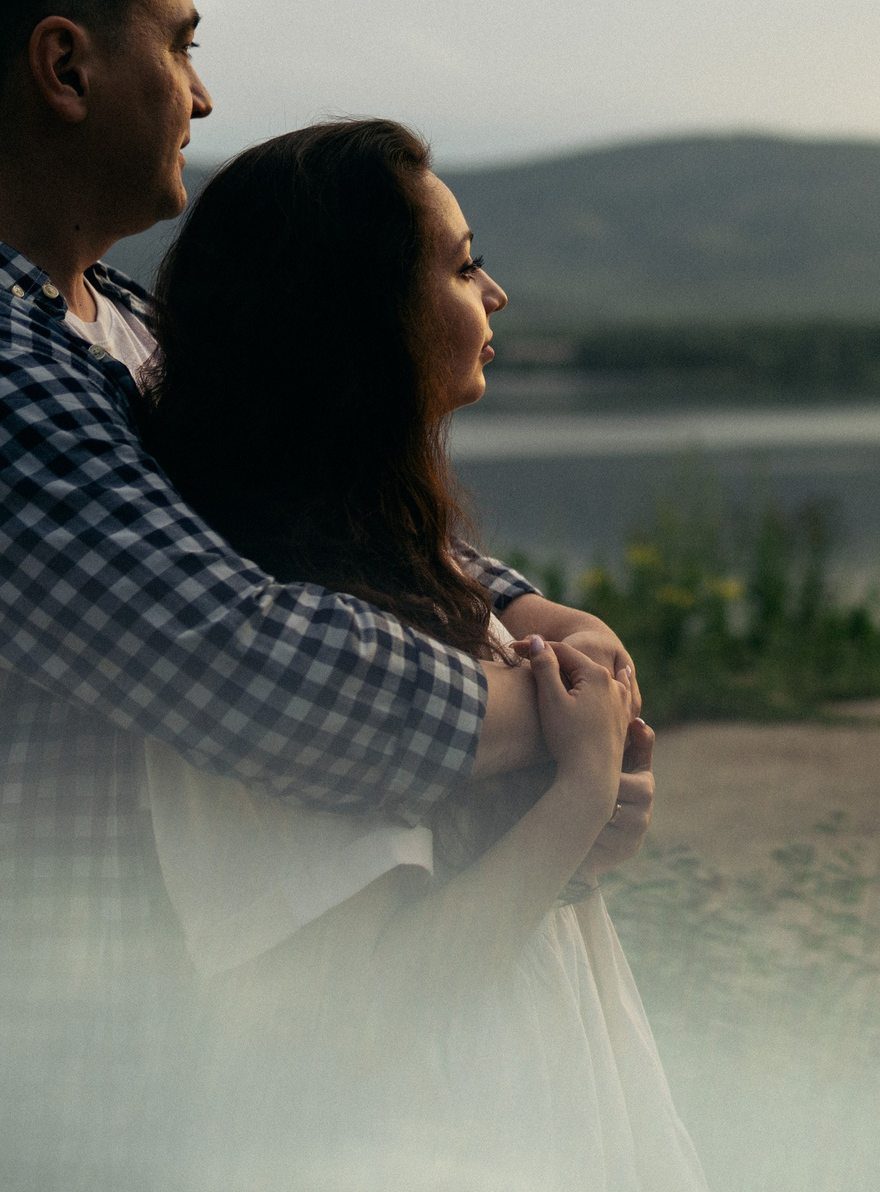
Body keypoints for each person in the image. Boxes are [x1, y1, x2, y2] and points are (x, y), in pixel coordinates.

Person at [0, 0, 641, 1189]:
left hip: (148, 1062)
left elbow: (297, 495)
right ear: (64, 69)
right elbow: (241, 660)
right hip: (3, 1092)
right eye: (179, 46)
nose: (204, 93)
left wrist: (531, 616)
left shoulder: (106, 316)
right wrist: (560, 720)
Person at [135, 118, 704, 1189]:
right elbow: (359, 1013)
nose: (495, 295)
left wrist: (576, 836)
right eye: (462, 263)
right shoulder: (299, 651)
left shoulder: (406, 570)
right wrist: (577, 791)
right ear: (356, 318)